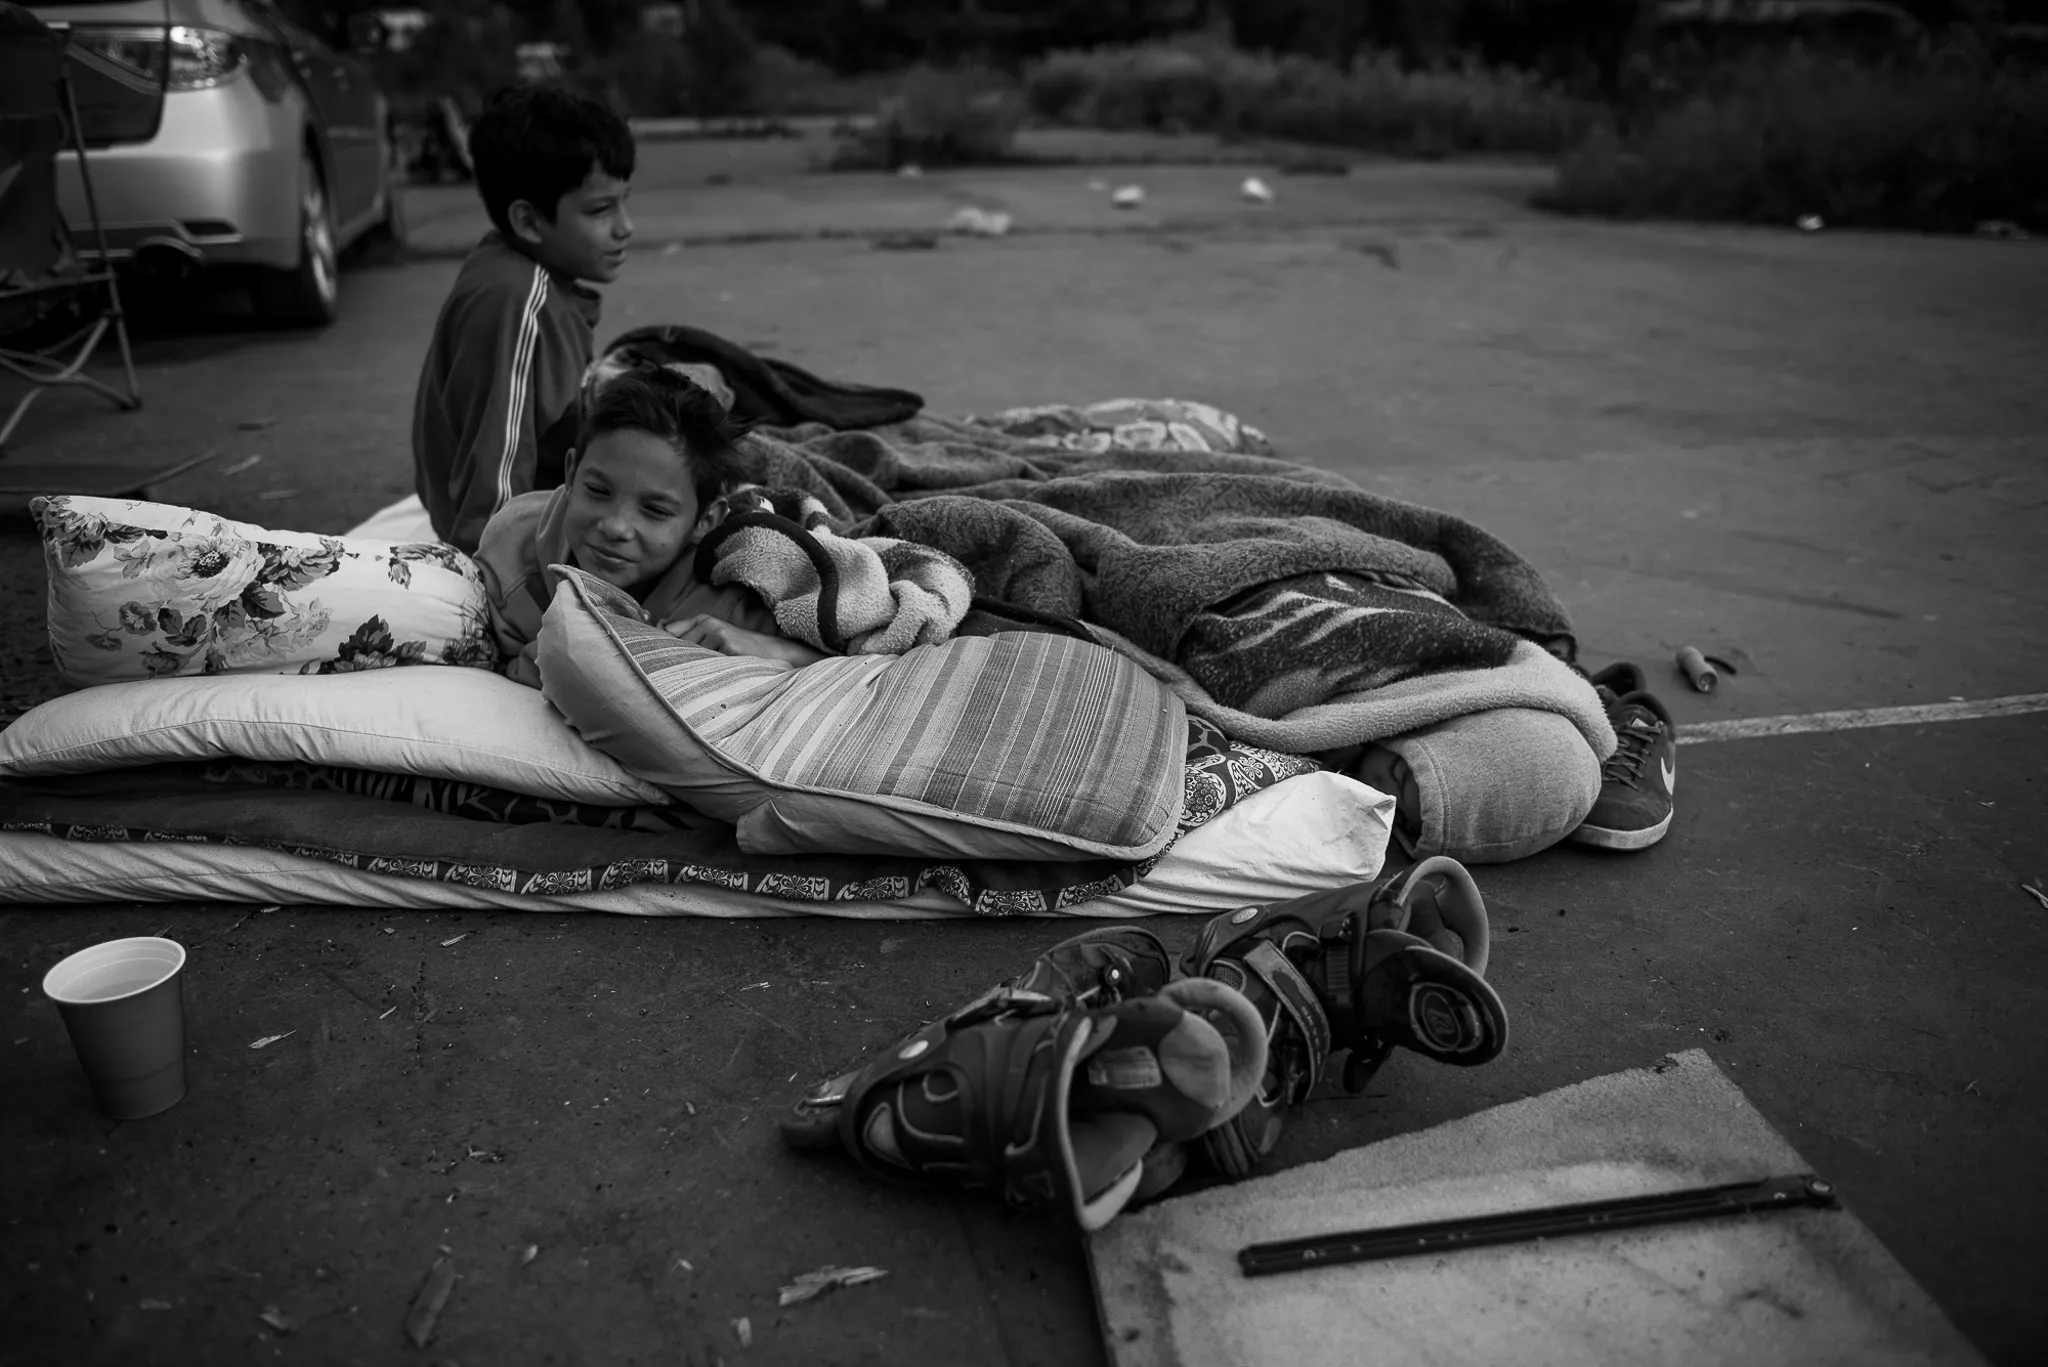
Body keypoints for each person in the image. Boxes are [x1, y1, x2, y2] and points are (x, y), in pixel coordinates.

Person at [475, 367, 826, 687]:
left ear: (705, 521)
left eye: (655, 511)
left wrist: (778, 650)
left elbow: (857, 667)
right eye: (597, 491)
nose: (615, 527)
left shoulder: (732, 605)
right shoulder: (512, 549)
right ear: (571, 472)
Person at [411, 84, 635, 555]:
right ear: (530, 222)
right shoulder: (516, 300)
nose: (625, 226)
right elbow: (496, 470)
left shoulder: (528, 270)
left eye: (623, 201)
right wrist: (506, 574)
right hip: (515, 535)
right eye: (600, 209)